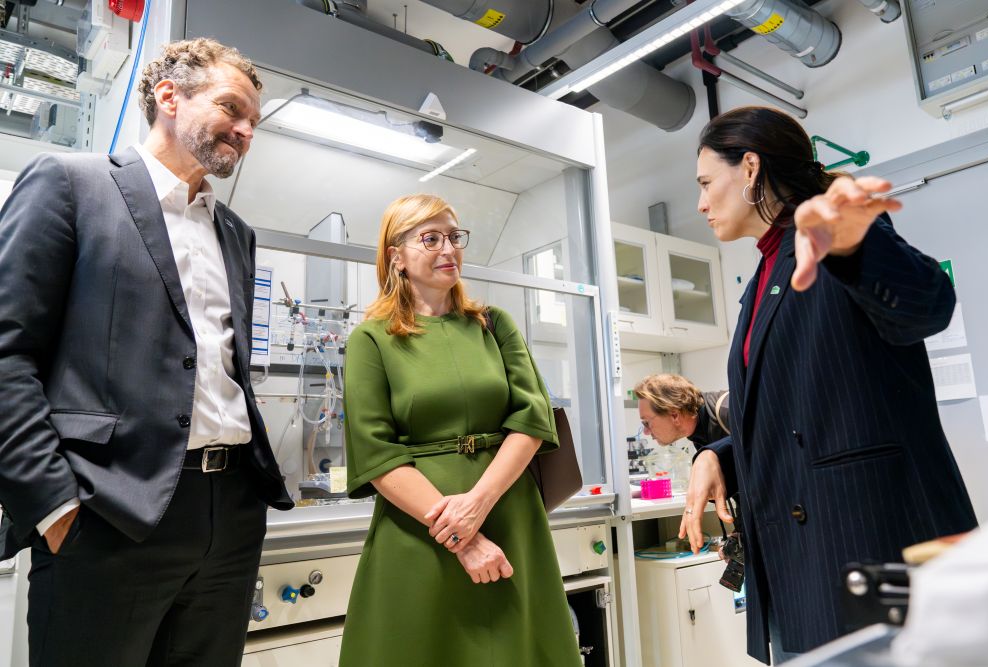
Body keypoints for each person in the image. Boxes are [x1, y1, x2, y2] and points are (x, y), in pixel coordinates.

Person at [0, 38, 293, 666]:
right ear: (169, 97)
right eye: (231, 109)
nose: (245, 132)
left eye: (253, 123)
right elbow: (7, 354)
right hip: (110, 513)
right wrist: (51, 505)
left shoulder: (235, 233)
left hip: (230, 515)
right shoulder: (72, 185)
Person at [679, 106, 977, 665]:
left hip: (872, 540)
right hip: (804, 560)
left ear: (749, 169)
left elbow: (927, 308)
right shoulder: (761, 276)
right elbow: (792, 409)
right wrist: (720, 456)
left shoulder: (832, 240)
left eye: (704, 183)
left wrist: (854, 244)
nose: (699, 203)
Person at [338, 194, 580, 666]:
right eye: (430, 238)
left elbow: (532, 419)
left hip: (511, 516)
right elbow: (376, 452)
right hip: (419, 531)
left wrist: (479, 503)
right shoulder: (371, 339)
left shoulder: (493, 325)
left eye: (454, 236)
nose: (448, 248)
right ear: (397, 257)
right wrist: (461, 536)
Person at [634, 373, 729, 449]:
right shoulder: (698, 433)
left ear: (675, 415)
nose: (646, 432)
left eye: (646, 422)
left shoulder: (727, 412)